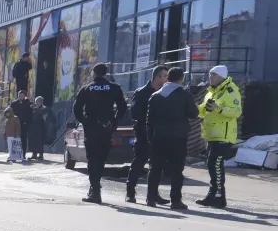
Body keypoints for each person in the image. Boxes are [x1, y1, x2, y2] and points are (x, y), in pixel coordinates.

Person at [72, 63, 128, 204]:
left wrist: (84, 121)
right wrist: (115, 121)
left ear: (94, 73)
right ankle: (95, 188)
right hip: (106, 127)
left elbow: (77, 109)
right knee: (101, 158)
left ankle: (94, 190)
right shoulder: (114, 88)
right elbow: (122, 107)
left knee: (92, 159)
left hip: (91, 128)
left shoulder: (87, 89)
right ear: (105, 73)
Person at [146, 66, 198, 210]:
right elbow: (193, 113)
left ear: (167, 78)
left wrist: (150, 137)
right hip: (178, 137)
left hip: (159, 136)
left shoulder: (155, 96)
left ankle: (150, 198)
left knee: (155, 168)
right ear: (181, 79)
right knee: (177, 170)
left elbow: (149, 120)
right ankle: (175, 200)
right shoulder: (184, 95)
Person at [197, 64, 242, 208]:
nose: (210, 77)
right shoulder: (211, 92)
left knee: (213, 164)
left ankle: (214, 195)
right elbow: (203, 111)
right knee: (215, 165)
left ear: (221, 76)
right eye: (210, 74)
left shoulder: (230, 90)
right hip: (212, 135)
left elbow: (236, 111)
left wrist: (218, 109)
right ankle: (219, 197)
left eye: (213, 75)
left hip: (223, 135)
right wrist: (193, 108)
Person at [125, 66, 169, 203]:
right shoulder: (141, 92)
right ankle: (130, 192)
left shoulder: (165, 93)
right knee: (139, 162)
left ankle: (153, 194)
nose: (167, 78)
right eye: (165, 76)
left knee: (156, 165)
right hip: (143, 133)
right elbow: (135, 113)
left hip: (159, 134)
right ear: (157, 77)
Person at [26, 96, 49, 160]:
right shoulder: (34, 109)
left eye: (38, 102)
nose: (36, 103)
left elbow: (44, 117)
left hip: (41, 127)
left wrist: (36, 110)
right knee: (33, 141)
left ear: (41, 102)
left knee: (40, 141)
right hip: (33, 128)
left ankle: (41, 155)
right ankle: (34, 154)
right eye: (36, 102)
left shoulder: (44, 109)